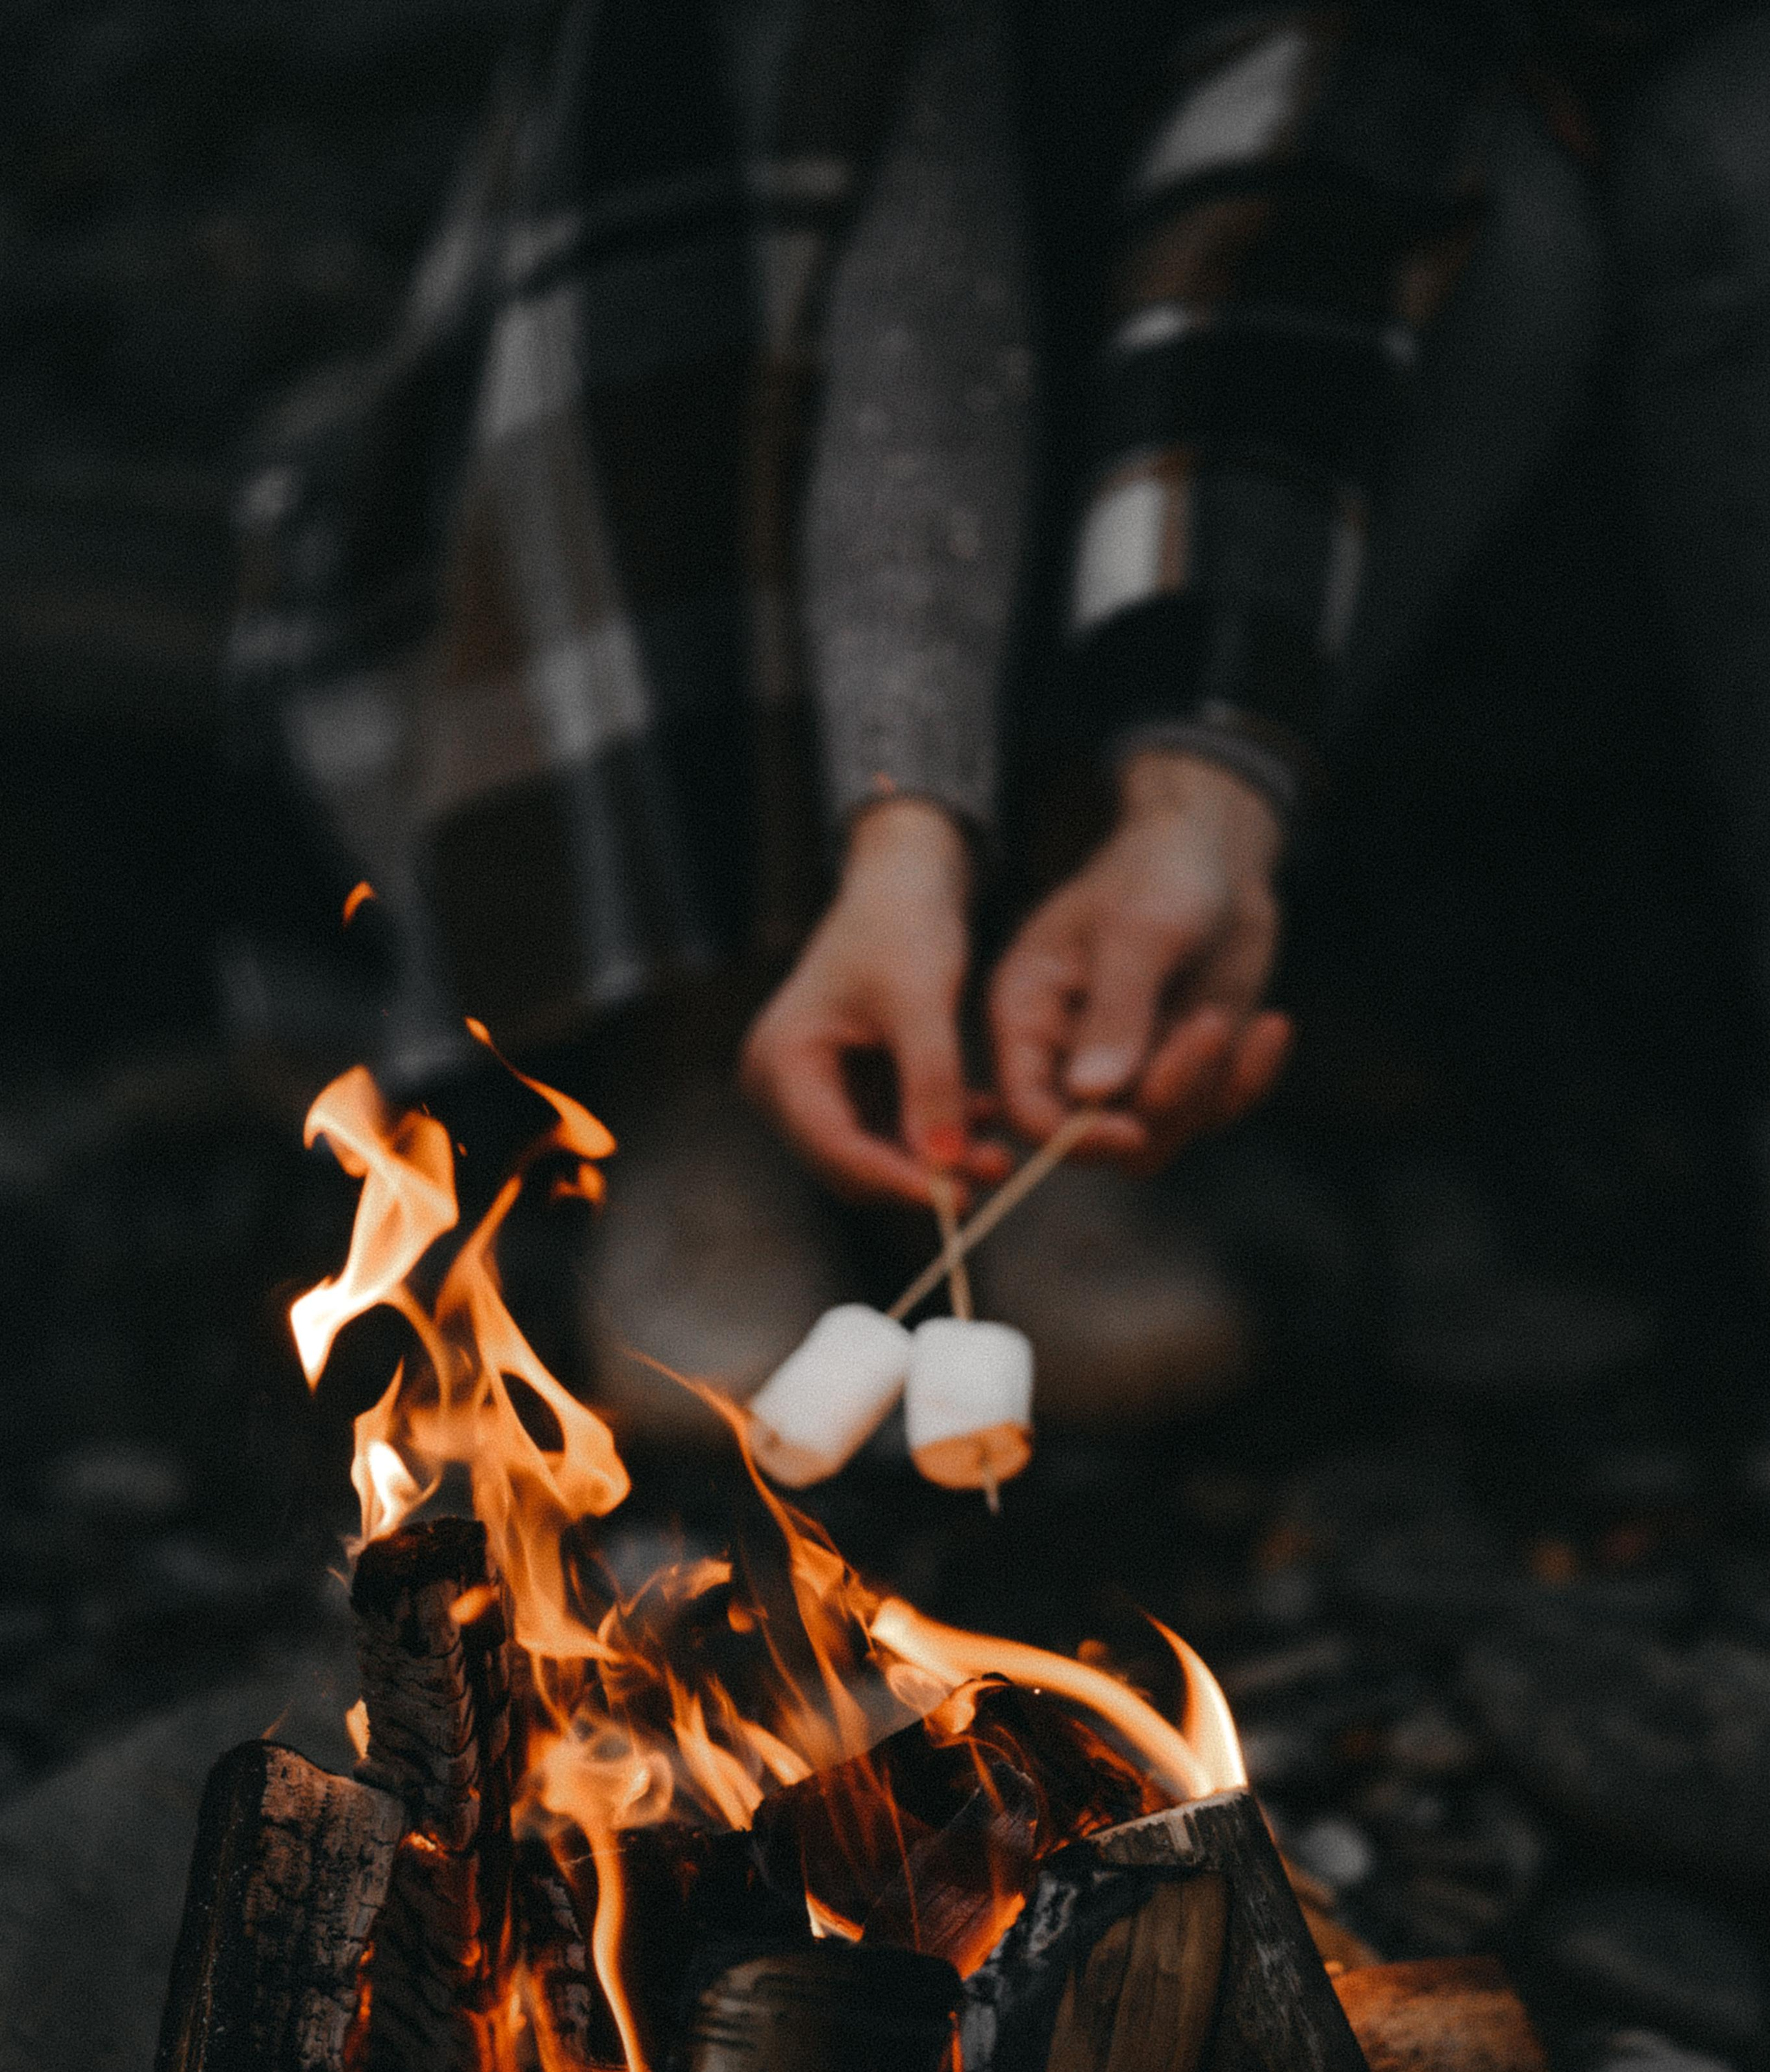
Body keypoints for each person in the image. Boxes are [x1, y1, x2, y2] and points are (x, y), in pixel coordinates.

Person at [235, 3, 1770, 1432]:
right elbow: (919, 283)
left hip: (1169, 299)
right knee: (756, 73)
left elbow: (1301, 187)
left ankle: (1021, 1024)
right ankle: (692, 1023)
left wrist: (1194, 797)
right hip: (761, 225)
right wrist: (903, 825)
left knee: (1500, 219)